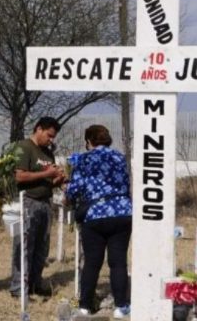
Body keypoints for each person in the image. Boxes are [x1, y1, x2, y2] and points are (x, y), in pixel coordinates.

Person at [64, 125, 132, 319]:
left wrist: (67, 194)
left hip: (95, 215)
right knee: (118, 262)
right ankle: (121, 307)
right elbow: (126, 184)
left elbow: (74, 189)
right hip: (122, 213)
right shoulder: (119, 157)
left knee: (93, 262)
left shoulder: (83, 159)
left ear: (88, 142)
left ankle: (84, 306)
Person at [10, 116, 66, 297]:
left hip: (46, 202)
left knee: (42, 247)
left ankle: (35, 283)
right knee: (25, 246)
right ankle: (19, 288)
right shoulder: (24, 147)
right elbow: (20, 176)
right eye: (49, 135)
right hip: (28, 201)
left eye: (53, 137)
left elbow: (48, 181)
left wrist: (58, 179)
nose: (51, 140)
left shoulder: (48, 153)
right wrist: (46, 173)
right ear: (39, 129)